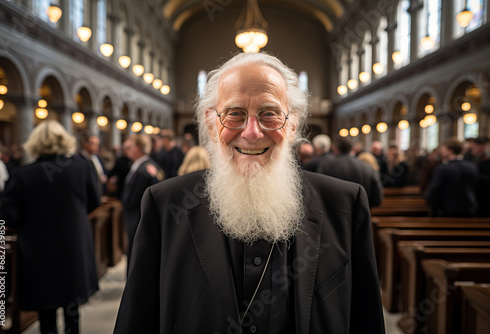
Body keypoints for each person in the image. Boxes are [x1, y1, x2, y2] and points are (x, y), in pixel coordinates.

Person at [114, 52, 385, 333]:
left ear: (291, 126)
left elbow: (365, 320)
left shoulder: (344, 205)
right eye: (234, 114)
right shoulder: (164, 206)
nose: (252, 132)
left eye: (269, 114)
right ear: (211, 124)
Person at [0, 120, 99, 334]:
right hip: (73, 245)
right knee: (72, 306)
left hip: (38, 249)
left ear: (34, 143)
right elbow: (94, 201)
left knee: (46, 310)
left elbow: (8, 215)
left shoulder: (23, 175)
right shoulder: (82, 167)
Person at [121, 134, 161, 272]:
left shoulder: (144, 169)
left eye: (130, 147)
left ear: (138, 148)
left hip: (137, 217)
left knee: (136, 253)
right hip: (135, 217)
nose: (128, 150)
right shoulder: (142, 166)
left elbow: (134, 199)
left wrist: (125, 202)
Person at [318, 137, 383, 208]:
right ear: (352, 149)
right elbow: (377, 199)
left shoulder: (327, 166)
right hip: (361, 214)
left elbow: (319, 193)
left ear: (335, 149)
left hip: (334, 213)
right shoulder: (368, 168)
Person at [426, 138, 479, 217]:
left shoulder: (442, 168)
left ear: (450, 150)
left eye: (444, 149)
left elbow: (435, 188)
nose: (442, 152)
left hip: (447, 209)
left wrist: (430, 202)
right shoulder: (472, 167)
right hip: (469, 208)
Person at [77, 130, 107, 196]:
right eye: (94, 144)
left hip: (99, 194)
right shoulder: (79, 159)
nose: (96, 147)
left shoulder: (97, 157)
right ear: (85, 144)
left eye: (97, 145)